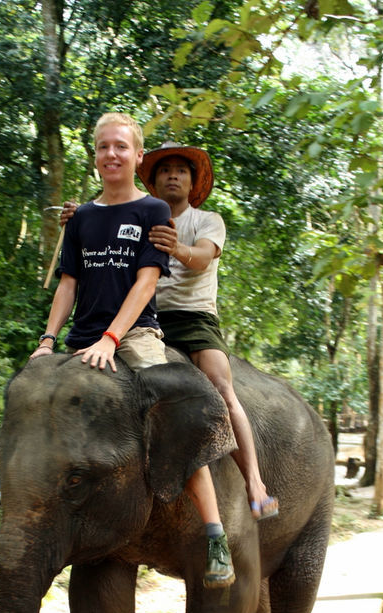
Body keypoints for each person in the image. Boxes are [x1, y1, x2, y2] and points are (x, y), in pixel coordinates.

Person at [30, 113, 234, 588]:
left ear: (136, 156)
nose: (111, 155)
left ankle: (214, 533)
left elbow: (146, 283)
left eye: (121, 146)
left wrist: (112, 338)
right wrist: (46, 341)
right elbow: (68, 283)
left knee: (178, 416)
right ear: (96, 156)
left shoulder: (152, 211)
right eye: (103, 147)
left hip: (136, 337)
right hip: (82, 340)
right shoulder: (81, 217)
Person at [62, 140, 278, 520]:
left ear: (193, 183)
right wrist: (81, 219)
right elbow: (104, 239)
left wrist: (177, 248)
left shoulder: (207, 221)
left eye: (180, 170)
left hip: (192, 319)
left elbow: (202, 258)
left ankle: (255, 482)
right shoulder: (142, 216)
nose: (172, 175)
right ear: (153, 181)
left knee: (221, 387)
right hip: (140, 317)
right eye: (164, 170)